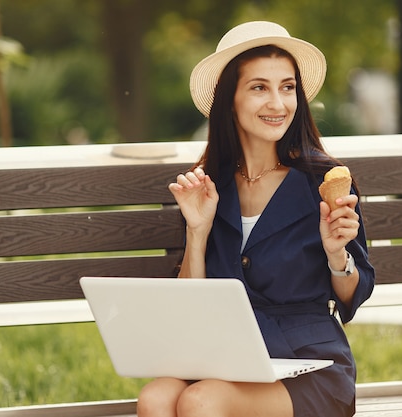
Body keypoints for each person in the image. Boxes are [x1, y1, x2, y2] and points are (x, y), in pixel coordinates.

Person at [137, 21, 375, 417]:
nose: (278, 104)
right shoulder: (211, 187)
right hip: (226, 356)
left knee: (202, 401)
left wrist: (338, 257)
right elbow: (190, 309)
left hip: (307, 364)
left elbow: (355, 295)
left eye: (287, 87)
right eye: (259, 87)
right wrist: (197, 232)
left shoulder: (323, 182)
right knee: (155, 399)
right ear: (230, 99)